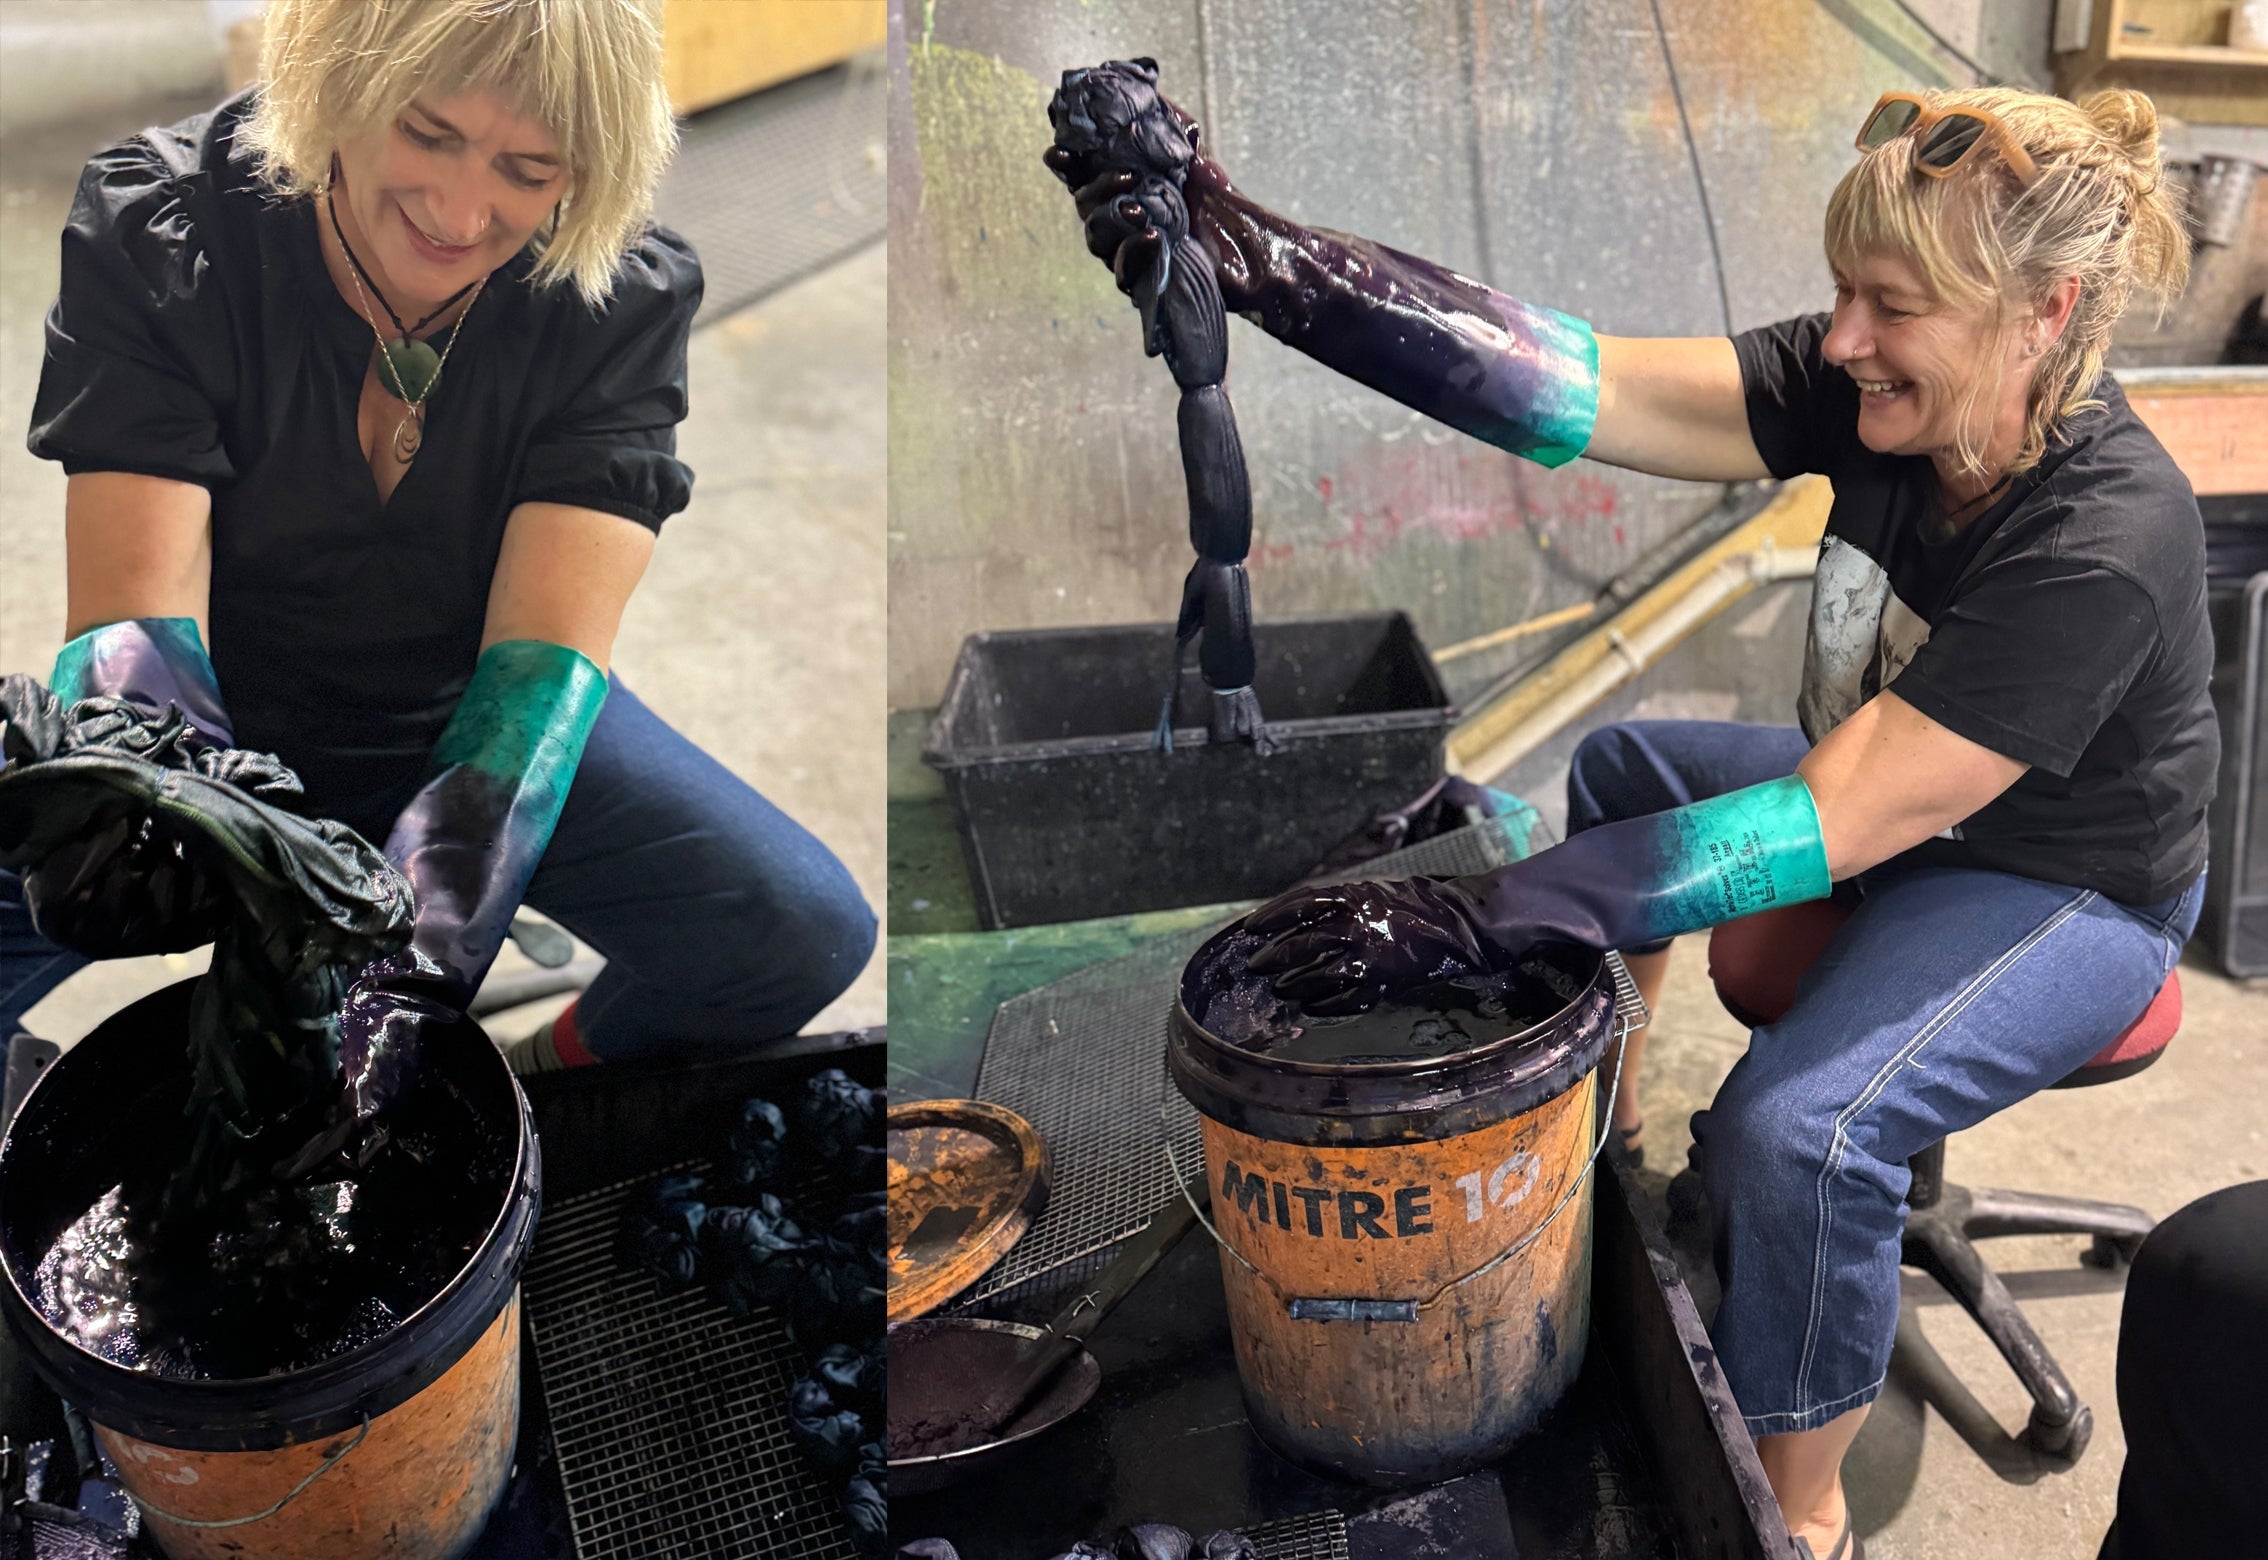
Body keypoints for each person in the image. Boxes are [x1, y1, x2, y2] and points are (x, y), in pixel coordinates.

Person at [1051, 66, 2213, 1560]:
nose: (1845, 339)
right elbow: (1568, 384)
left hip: (2066, 882)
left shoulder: (2101, 538)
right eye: (1840, 294)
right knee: (1622, 772)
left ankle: (1798, 1514)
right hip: (1887, 791)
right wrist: (1264, 259)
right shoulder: (1885, 393)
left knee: (1803, 1133)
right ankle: (1606, 1112)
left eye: (1894, 306)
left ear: (2046, 314)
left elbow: (1828, 822)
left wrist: (1469, 917)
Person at [3, 0, 875, 1154]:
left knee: (800, 930)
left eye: (529, 169)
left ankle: (520, 1082)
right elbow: (140, 626)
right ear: (336, 83)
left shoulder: (614, 294)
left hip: (467, 721)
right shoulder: (171, 230)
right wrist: (179, 826)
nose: (465, 215)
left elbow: (541, 665)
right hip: (220, 719)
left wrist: (406, 985)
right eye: (426, 134)